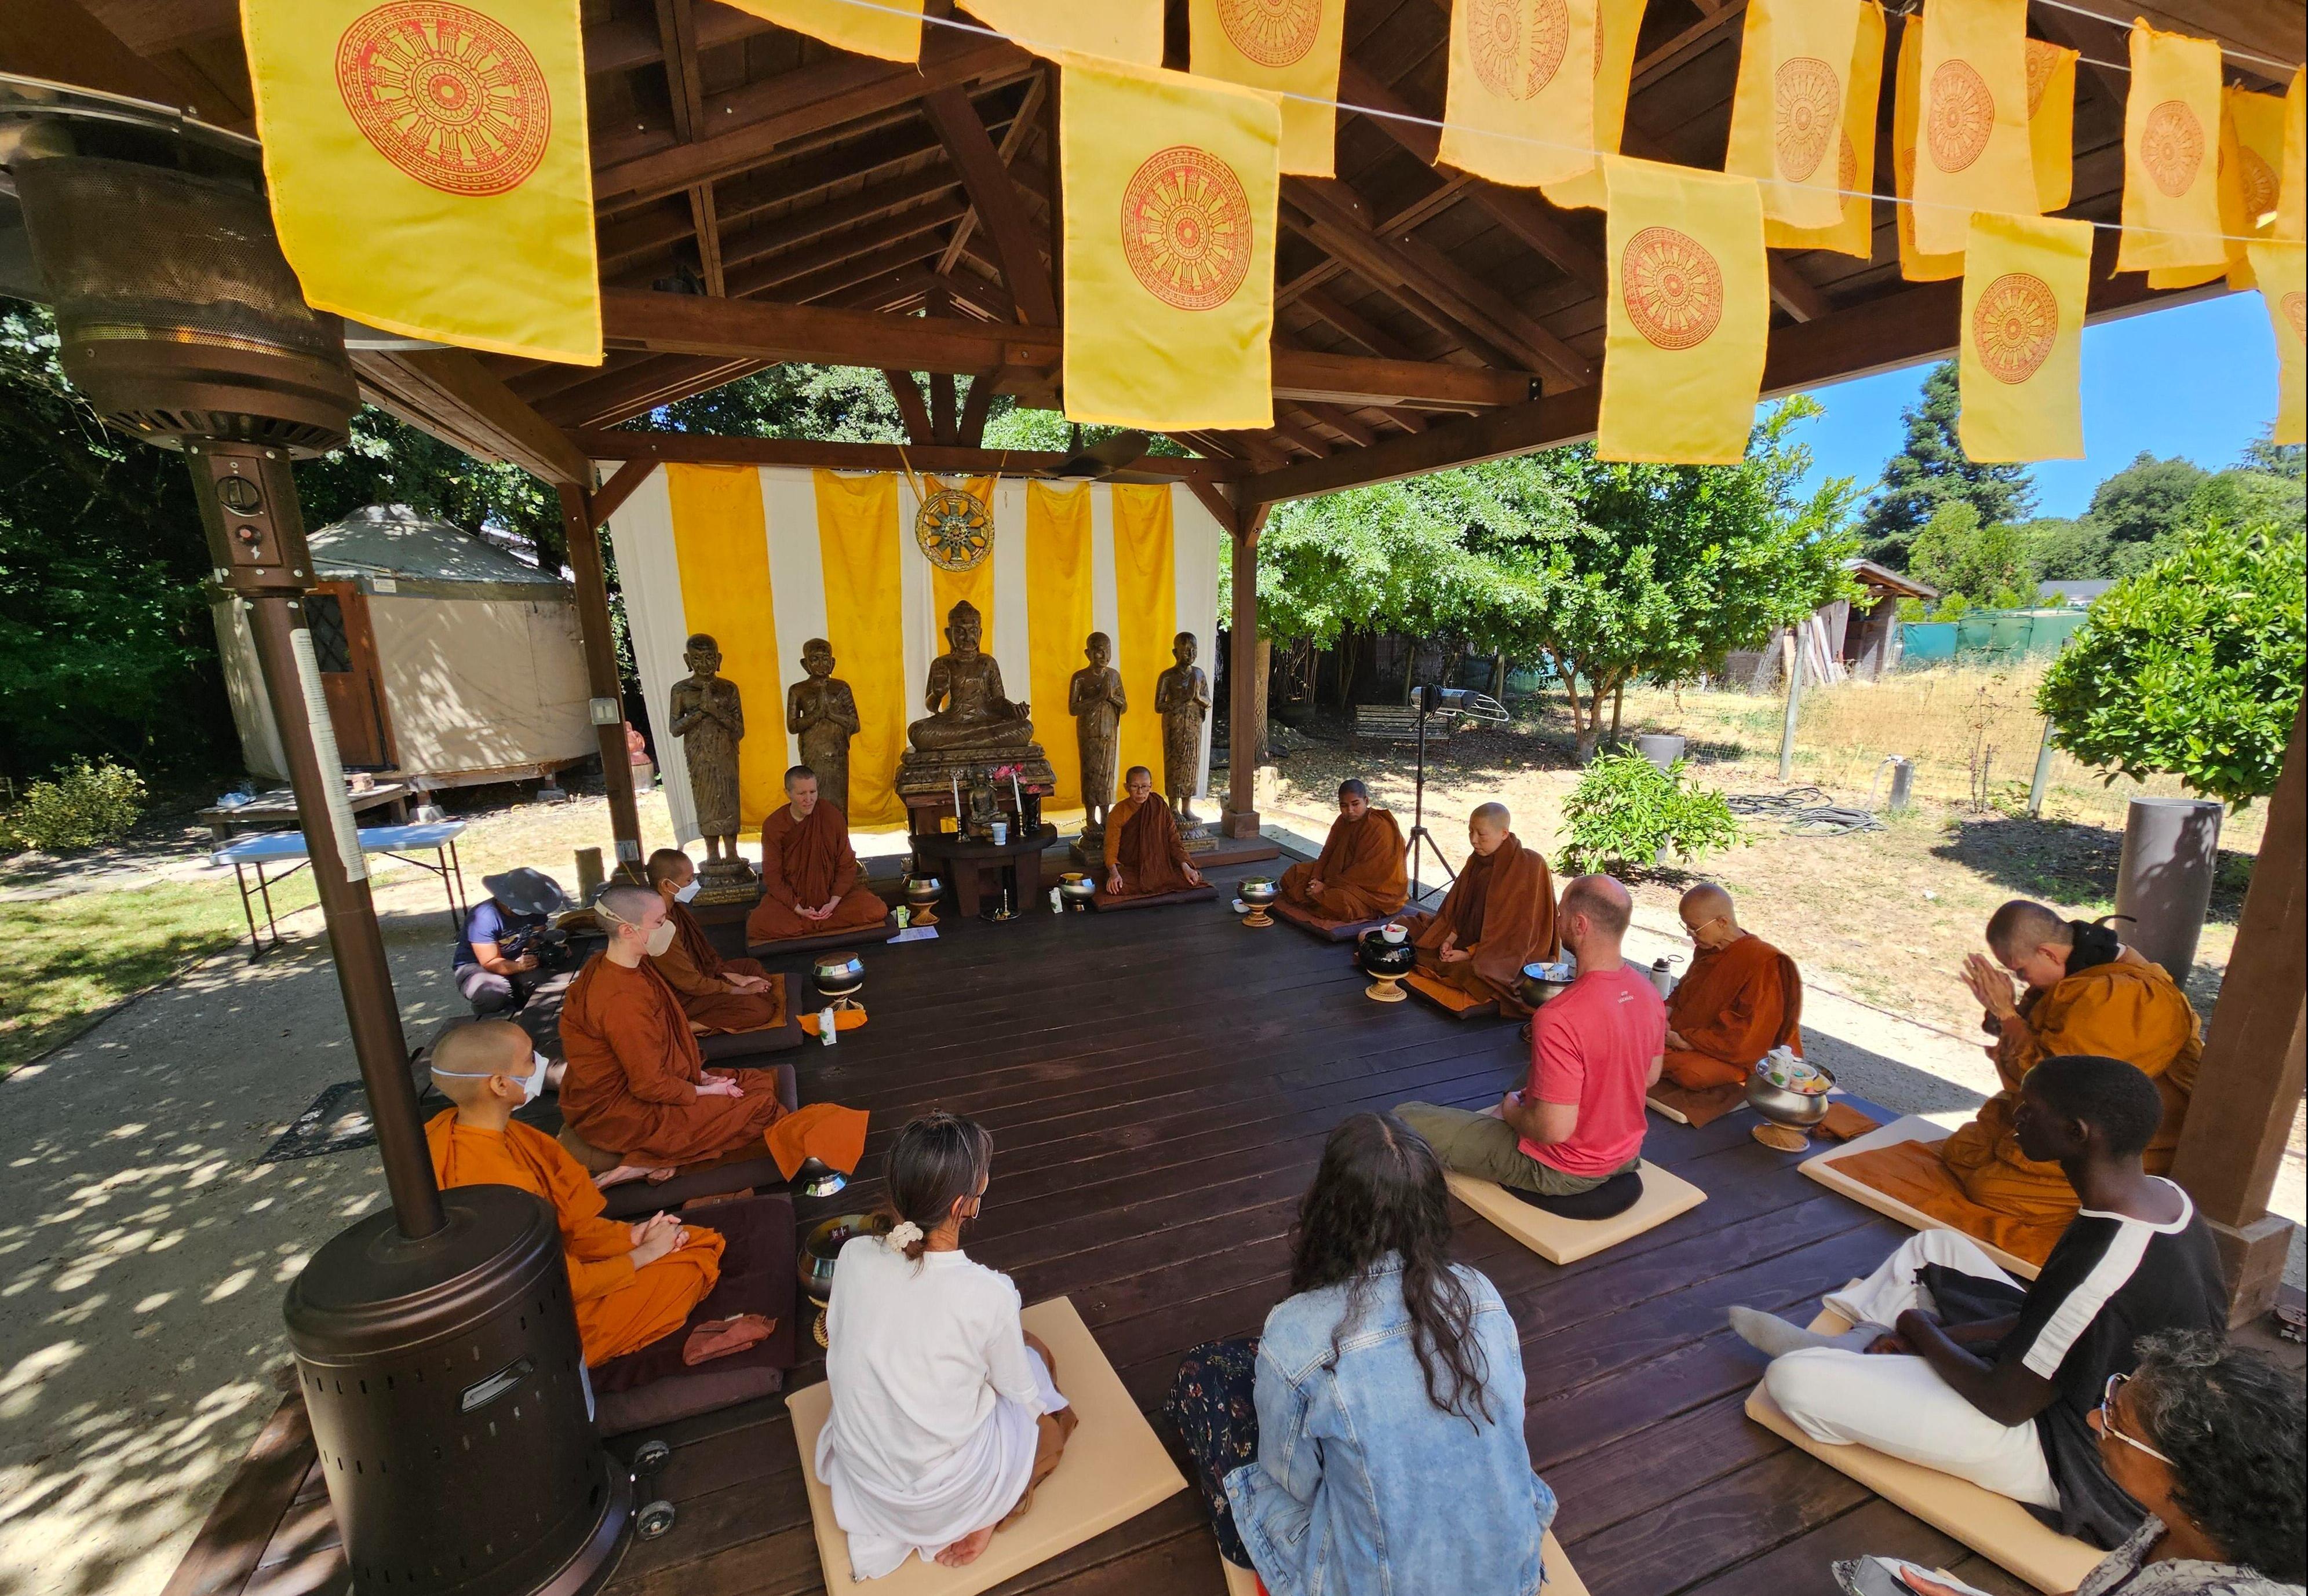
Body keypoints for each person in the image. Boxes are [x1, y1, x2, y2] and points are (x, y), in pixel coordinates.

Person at [1736, 1055, 2229, 1548]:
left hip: (2084, 1452)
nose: (2014, 1118)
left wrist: (1919, 1330)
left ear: (2078, 1133)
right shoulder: (2162, 1197)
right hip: (2081, 1378)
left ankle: (1855, 1355)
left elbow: (2005, 1402)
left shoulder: (2107, 1266)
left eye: (2028, 1110)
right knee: (1933, 1247)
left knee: (1794, 1381)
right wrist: (1940, 1336)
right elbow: (2047, 1317)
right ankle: (1867, 1346)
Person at [1165, 1113, 1555, 1596]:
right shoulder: (1480, 1294)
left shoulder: (1297, 1328)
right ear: (1433, 1207)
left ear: (1327, 1208)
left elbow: (1293, 1480)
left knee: (1207, 1377)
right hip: (1509, 1581)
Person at [1835, 1332, 2306, 1596]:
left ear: (2185, 1475)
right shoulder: (2182, 1516)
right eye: (2112, 1394)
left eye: (2114, 1420)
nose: (2092, 1418)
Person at [816, 1112, 1078, 1579]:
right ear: (964, 1203)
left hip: (870, 1483)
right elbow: (1018, 1392)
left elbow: (843, 1339)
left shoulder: (854, 1255)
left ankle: (966, 1503)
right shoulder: (988, 1293)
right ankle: (988, 1512)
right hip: (940, 1498)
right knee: (1038, 1378)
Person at [425, 1020, 775, 1368]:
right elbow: (559, 1283)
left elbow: (571, 1227)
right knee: (689, 1265)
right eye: (531, 1060)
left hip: (565, 1260)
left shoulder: (493, 1134)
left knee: (692, 1240)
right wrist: (646, 1254)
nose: (541, 1065)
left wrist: (632, 1236)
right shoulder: (490, 1180)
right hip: (539, 1319)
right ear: (501, 1085)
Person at [1394, 875, 1664, 1198]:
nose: (1558, 920)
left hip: (1562, 1168)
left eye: (1561, 914)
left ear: (1580, 925)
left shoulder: (1560, 1015)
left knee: (1403, 1120)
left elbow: (1553, 1130)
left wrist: (1513, 1111)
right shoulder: (1648, 993)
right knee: (1538, 1070)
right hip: (1625, 1155)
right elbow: (1649, 1076)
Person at [1939, 901, 2201, 1229]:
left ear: (2048, 953)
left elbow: (2060, 1083)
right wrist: (2001, 1014)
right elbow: (2035, 1037)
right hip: (2065, 1121)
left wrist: (2008, 1015)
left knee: (1990, 1189)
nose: (2023, 981)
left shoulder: (2125, 996)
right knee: (1964, 1150)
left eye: (2021, 971)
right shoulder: (2079, 974)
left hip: (2109, 1143)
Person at [560, 883, 794, 1167]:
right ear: (627, 930)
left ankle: (672, 1142)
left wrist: (703, 1077)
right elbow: (648, 1086)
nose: (666, 927)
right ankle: (646, 1162)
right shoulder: (620, 999)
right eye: (659, 922)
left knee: (758, 1083)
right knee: (762, 1108)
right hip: (621, 1111)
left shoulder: (620, 963)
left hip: (655, 1081)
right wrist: (706, 1091)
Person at [1395, 802, 1557, 1016]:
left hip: (1503, 955)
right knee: (1404, 930)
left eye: (1481, 834)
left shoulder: (1529, 867)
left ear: (1504, 833)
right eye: (1470, 832)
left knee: (1482, 976)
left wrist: (1469, 954)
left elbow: (1520, 936)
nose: (1473, 840)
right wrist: (1449, 939)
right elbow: (1458, 908)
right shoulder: (1477, 860)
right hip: (1468, 941)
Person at [1659, 882, 1804, 1090]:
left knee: (1691, 1074)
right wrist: (1664, 1013)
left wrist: (1685, 1041)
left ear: (1722, 922)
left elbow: (1748, 1037)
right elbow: (1685, 989)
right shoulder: (1708, 948)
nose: (1690, 934)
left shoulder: (1765, 963)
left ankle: (1744, 1075)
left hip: (1736, 1054)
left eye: (1694, 928)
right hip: (1689, 1037)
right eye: (1686, 927)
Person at [644, 848, 787, 1048]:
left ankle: (740, 993)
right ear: (667, 885)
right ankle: (681, 1027)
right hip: (681, 997)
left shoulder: (675, 908)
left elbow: (705, 957)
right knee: (758, 1010)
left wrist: (732, 975)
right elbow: (691, 984)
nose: (693, 884)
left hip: (701, 977)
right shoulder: (659, 926)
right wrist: (738, 991)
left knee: (750, 967)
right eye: (688, 880)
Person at [745, 765, 889, 944]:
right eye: (801, 794)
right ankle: (816, 922)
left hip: (832, 898)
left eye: (813, 792)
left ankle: (809, 924)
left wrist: (833, 903)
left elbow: (847, 865)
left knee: (876, 909)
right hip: (793, 902)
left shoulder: (831, 816)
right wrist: (798, 909)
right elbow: (773, 876)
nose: (809, 799)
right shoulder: (774, 825)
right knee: (759, 925)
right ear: (788, 793)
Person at [1277, 779, 1409, 922]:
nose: (1350, 811)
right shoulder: (1342, 821)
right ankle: (1316, 898)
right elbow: (1327, 853)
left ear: (1366, 800)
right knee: (1294, 874)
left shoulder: (1379, 827)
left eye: (1355, 804)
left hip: (1370, 890)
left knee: (1341, 902)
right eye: (1344, 806)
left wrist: (1326, 886)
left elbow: (1366, 872)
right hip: (1337, 877)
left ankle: (1320, 900)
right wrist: (1315, 879)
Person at [453, 867, 568, 1016]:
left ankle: (526, 1015)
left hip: (517, 956)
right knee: (491, 994)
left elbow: (536, 938)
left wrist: (550, 949)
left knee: (545, 983)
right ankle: (488, 1021)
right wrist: (519, 966)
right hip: (477, 964)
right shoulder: (484, 917)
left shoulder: (535, 907)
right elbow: (490, 961)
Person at [1101, 765, 1208, 900]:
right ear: (1126, 787)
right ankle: (1154, 882)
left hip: (1159, 865)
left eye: (1145, 787)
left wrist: (1185, 866)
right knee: (1118, 886)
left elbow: (1173, 840)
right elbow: (1111, 847)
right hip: (1133, 868)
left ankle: (1159, 881)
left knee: (1190, 877)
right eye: (1135, 787)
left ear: (1151, 786)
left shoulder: (1159, 805)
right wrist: (1114, 873)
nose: (1140, 792)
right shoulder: (1118, 812)